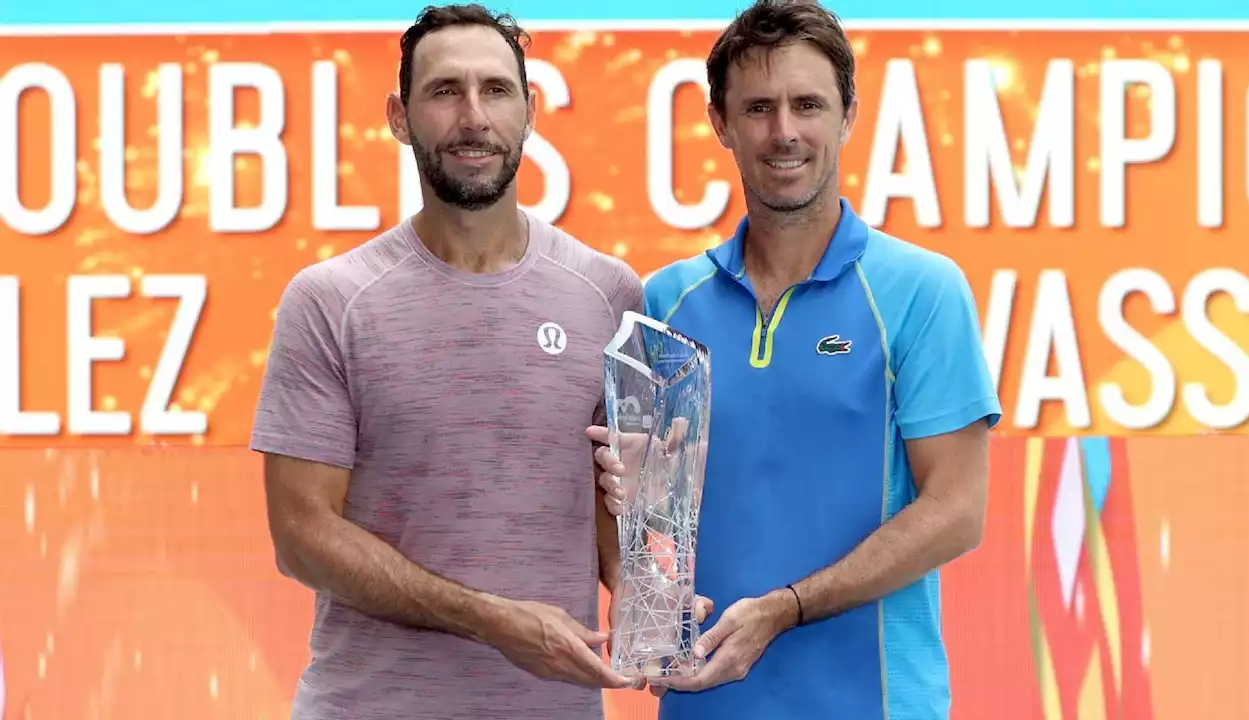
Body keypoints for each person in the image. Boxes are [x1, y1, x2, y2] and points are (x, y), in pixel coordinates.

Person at [250, 4, 673, 719]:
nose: (473, 116)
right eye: (445, 91)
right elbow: (302, 539)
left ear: (531, 111)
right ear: (399, 116)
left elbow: (618, 523)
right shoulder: (332, 302)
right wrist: (493, 620)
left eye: (496, 90)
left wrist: (653, 598)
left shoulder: (608, 294)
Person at [590, 1, 1002, 718]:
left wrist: (786, 609)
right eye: (759, 107)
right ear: (721, 122)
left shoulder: (920, 291)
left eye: (808, 104)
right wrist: (637, 579)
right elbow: (637, 521)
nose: (784, 132)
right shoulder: (666, 300)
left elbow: (957, 511)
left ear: (847, 116)